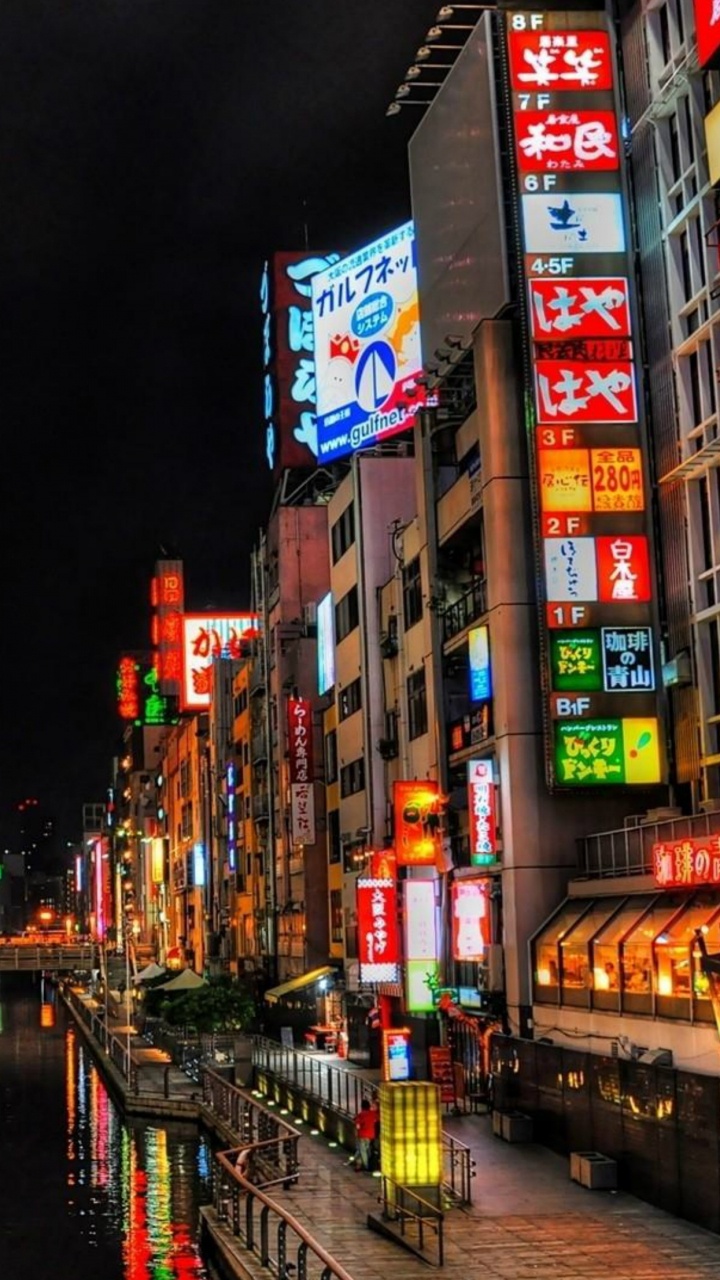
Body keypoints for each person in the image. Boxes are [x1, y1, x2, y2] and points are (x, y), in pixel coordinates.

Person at [353, 1097, 380, 1172]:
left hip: (362, 1135)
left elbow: (357, 1124)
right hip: (370, 1135)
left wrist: (357, 1129)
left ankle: (366, 1165)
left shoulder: (361, 1114)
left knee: (362, 1150)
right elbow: (377, 1119)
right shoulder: (372, 1114)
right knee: (366, 1149)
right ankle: (359, 1163)